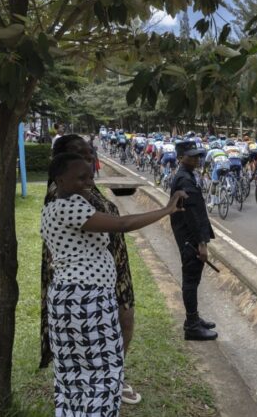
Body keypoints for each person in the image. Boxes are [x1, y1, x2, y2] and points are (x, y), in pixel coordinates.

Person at [42, 152, 185, 416]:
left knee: (73, 375)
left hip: (70, 299)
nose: (88, 182)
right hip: (87, 302)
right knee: (103, 373)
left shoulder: (53, 207)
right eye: (80, 177)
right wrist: (166, 209)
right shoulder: (70, 207)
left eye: (90, 176)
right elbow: (123, 223)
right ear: (59, 179)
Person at [40, 135, 143, 405]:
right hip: (85, 285)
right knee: (93, 350)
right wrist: (167, 209)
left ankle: (107, 384)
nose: (87, 160)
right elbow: (120, 224)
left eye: (89, 154)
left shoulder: (83, 188)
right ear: (62, 165)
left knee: (120, 325)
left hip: (108, 270)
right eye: (79, 155)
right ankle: (102, 389)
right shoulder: (63, 197)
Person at [170, 141, 219, 340]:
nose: (196, 159)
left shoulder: (187, 175)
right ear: (181, 157)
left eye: (197, 155)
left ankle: (194, 318)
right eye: (191, 156)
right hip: (190, 237)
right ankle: (191, 326)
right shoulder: (185, 179)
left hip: (189, 235)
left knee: (194, 279)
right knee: (190, 280)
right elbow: (193, 214)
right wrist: (202, 243)